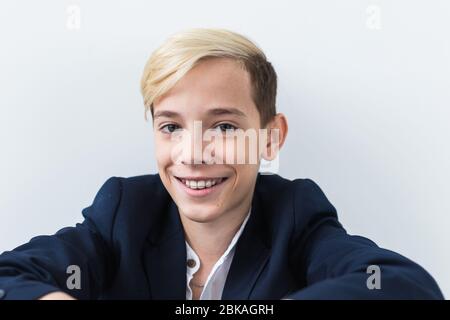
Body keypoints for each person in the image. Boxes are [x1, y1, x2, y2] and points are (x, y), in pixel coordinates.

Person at [0, 28, 443, 300]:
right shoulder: (124, 212)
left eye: (225, 128)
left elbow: (404, 287)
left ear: (270, 138)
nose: (193, 154)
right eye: (171, 127)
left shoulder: (295, 216)